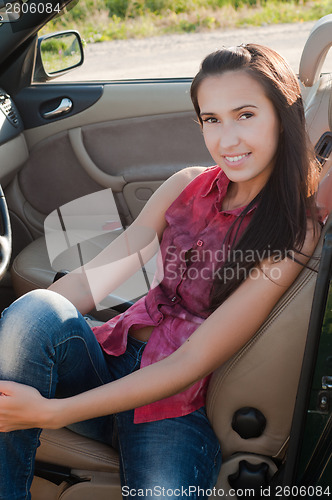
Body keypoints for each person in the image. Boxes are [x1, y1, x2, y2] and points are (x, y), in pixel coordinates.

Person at [0, 43, 321, 500]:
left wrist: (51, 413)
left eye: (245, 115)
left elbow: (190, 362)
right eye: (211, 119)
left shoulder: (293, 231)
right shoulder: (185, 185)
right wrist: (20, 323)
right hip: (109, 356)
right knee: (35, 310)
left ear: (282, 118)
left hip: (175, 400)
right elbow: (97, 277)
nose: (226, 139)